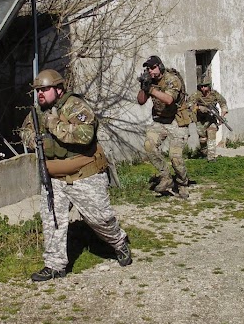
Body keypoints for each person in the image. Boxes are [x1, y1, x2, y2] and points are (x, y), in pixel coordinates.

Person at [19, 68, 132, 282]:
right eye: (38, 90)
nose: (40, 94)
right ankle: (54, 265)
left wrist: (54, 125)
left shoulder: (76, 107)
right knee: (52, 220)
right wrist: (33, 140)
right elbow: (25, 130)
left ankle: (119, 242)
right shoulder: (37, 111)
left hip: (84, 175)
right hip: (54, 177)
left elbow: (85, 135)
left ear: (59, 90)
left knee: (100, 219)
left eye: (44, 89)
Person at [136, 55, 193, 198]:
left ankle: (182, 183)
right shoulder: (150, 81)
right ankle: (166, 177)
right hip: (160, 121)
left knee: (175, 156)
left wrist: (151, 90)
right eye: (148, 68)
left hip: (177, 120)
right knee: (149, 145)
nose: (150, 71)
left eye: (153, 67)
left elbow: (168, 99)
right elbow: (141, 101)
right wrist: (144, 87)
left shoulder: (172, 79)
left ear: (160, 66)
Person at [190, 78, 229, 161]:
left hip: (211, 119)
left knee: (211, 135)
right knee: (203, 139)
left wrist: (222, 114)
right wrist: (198, 108)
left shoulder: (214, 94)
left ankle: (211, 157)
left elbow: (223, 103)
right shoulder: (196, 95)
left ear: (209, 86)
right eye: (201, 86)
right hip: (200, 119)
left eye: (205, 86)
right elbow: (189, 105)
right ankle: (204, 153)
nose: (203, 88)